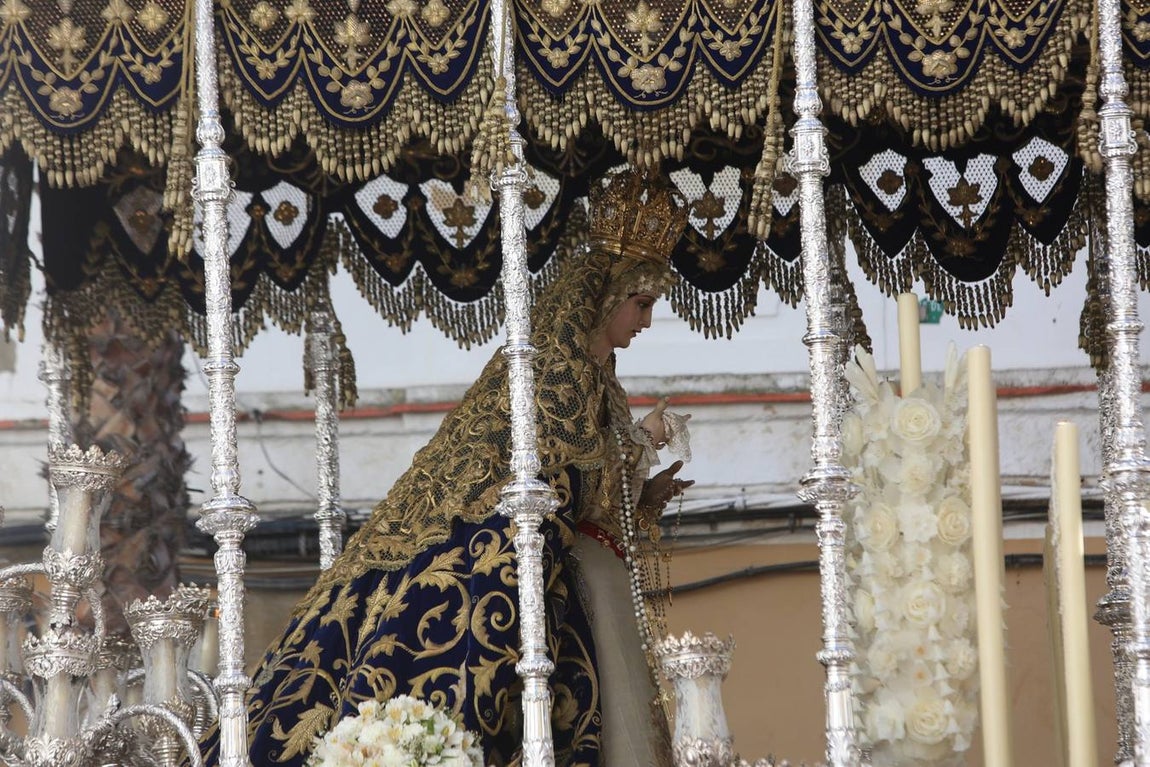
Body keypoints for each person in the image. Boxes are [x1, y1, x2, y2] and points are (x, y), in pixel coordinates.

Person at [204, 167, 694, 766]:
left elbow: (589, 491)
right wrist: (640, 444)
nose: (645, 322)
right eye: (641, 304)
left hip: (579, 571)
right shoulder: (550, 372)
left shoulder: (601, 381)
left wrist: (646, 490)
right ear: (607, 297)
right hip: (522, 564)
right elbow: (558, 480)